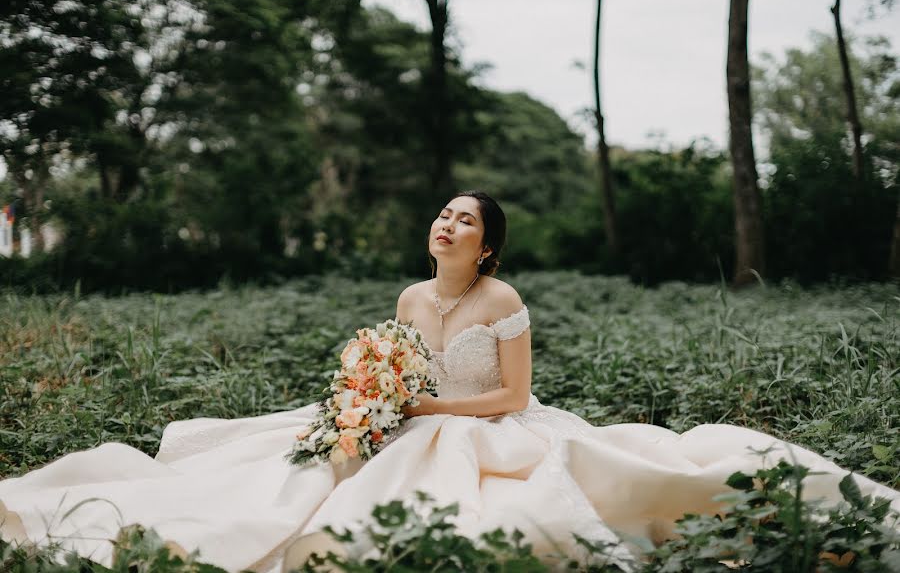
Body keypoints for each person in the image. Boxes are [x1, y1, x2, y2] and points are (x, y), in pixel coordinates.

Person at [1, 191, 898, 573]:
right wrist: (376, 393)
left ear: (487, 243)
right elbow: (398, 359)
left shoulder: (504, 299)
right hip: (410, 409)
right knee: (292, 461)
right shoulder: (407, 291)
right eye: (441, 214)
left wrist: (424, 403)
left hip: (486, 424)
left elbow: (511, 399)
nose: (445, 223)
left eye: (462, 219)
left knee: (475, 479)